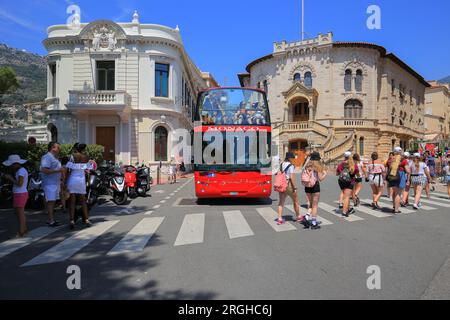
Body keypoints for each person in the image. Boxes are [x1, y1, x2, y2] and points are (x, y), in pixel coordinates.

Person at [65, 143, 91, 229]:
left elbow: (68, 170)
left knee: (72, 202)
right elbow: (88, 170)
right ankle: (86, 219)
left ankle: (72, 220)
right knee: (83, 201)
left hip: (72, 179)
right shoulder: (86, 157)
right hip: (81, 180)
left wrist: (65, 182)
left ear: (76, 148)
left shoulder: (72, 156)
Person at [2, 155, 29, 237]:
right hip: (19, 193)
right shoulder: (20, 170)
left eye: (12, 165)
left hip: (20, 193)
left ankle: (21, 232)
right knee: (18, 212)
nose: (11, 166)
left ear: (15, 164)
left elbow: (20, 184)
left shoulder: (21, 171)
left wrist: (10, 178)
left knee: (20, 213)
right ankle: (24, 229)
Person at [300, 152, 327, 230]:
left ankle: (307, 216)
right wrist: (325, 174)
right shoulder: (317, 167)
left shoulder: (307, 165)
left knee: (311, 204)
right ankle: (314, 223)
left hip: (307, 186)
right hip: (315, 187)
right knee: (315, 205)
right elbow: (320, 179)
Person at [40, 142, 64, 227]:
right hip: (50, 184)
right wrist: (58, 171)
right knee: (50, 202)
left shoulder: (53, 157)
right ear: (53, 148)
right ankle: (51, 220)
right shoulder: (47, 157)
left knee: (52, 202)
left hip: (54, 183)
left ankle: (51, 219)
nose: (59, 149)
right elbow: (44, 170)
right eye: (58, 148)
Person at [277, 152, 301, 225]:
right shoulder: (291, 166)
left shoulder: (281, 164)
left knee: (281, 202)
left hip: (282, 184)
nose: (293, 159)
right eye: (292, 158)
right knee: (295, 201)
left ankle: (279, 218)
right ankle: (298, 216)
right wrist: (295, 187)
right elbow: (292, 177)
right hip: (289, 184)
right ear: (290, 158)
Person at [385, 147, 409, 214]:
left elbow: (387, 167)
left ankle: (394, 206)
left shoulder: (390, 159)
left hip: (392, 176)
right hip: (400, 176)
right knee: (398, 193)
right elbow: (408, 170)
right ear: (400, 152)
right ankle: (396, 209)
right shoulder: (403, 160)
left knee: (394, 192)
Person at [336, 152, 359, 217]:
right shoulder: (353, 164)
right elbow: (357, 174)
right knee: (347, 197)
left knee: (345, 195)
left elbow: (337, 173)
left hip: (341, 181)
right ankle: (344, 212)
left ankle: (348, 208)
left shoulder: (341, 164)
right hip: (350, 181)